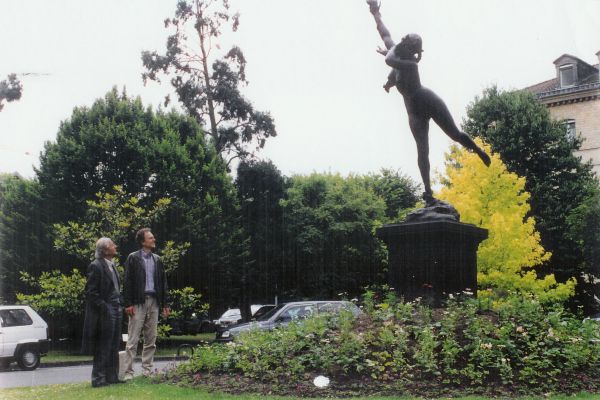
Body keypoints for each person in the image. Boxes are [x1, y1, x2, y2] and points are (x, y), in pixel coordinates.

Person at [367, 0, 491, 205]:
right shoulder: (398, 54)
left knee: (455, 134)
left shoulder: (410, 64)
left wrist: (390, 52)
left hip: (428, 101)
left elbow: (389, 61)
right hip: (414, 112)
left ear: (410, 49)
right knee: (422, 150)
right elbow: (385, 35)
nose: (400, 42)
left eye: (405, 42)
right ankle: (428, 192)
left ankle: (478, 151)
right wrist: (375, 13)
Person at [122, 228, 170, 379]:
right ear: (143, 241)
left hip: (154, 302)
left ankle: (147, 370)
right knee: (133, 339)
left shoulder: (158, 259)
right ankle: (128, 372)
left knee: (151, 338)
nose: (154, 240)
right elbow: (127, 282)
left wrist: (165, 304)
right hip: (137, 302)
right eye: (151, 238)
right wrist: (128, 303)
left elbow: (163, 283)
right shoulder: (133, 258)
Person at [81, 237, 124, 387]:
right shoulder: (96, 266)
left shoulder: (112, 265)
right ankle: (98, 379)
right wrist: (104, 307)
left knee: (114, 344)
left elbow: (115, 289)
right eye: (113, 245)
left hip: (117, 308)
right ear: (105, 250)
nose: (115, 246)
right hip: (106, 310)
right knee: (103, 344)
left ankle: (112, 377)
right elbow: (90, 292)